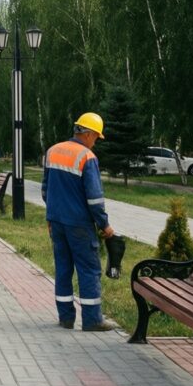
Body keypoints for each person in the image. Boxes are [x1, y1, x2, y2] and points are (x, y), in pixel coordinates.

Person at [41, 112, 117, 332]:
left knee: (63, 268)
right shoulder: (87, 157)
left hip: (56, 221)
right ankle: (93, 320)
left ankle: (66, 318)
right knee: (88, 269)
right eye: (96, 138)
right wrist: (104, 224)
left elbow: (46, 190)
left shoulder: (53, 151)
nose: (95, 143)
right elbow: (94, 198)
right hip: (79, 224)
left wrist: (52, 214)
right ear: (89, 134)